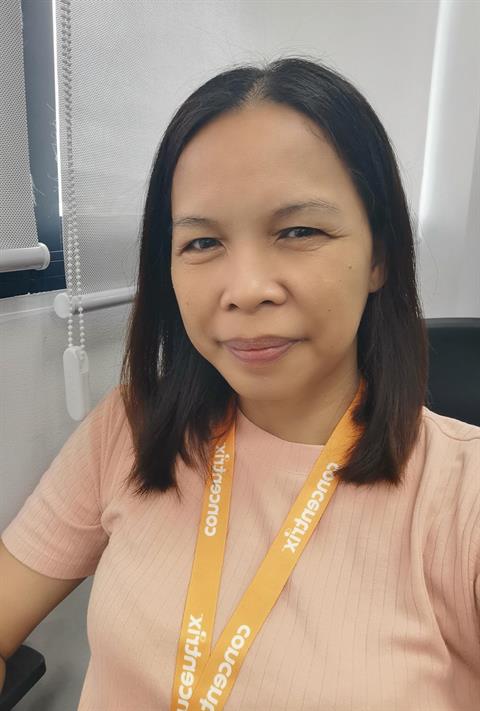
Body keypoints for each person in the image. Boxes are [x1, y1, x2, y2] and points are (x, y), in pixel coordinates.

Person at [1, 55, 479, 710]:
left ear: (380, 257)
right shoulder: (130, 428)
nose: (246, 289)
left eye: (299, 231)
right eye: (202, 243)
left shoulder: (463, 500)